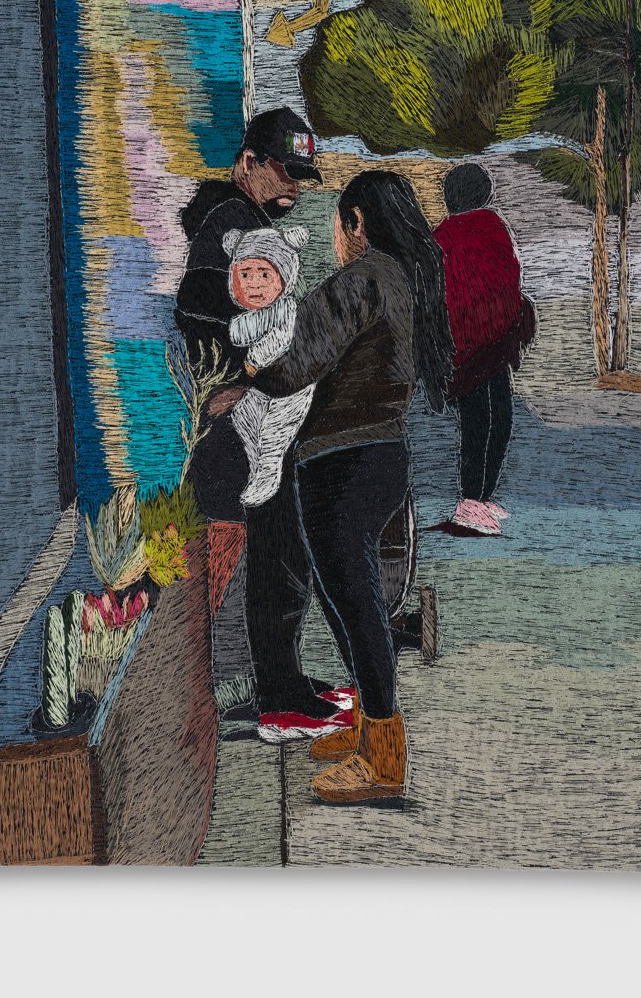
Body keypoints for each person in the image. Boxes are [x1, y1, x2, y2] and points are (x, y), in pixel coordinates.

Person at [249, 170, 454, 804]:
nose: (336, 239)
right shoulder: (404, 279)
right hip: (381, 455)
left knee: (355, 607)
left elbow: (298, 361)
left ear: (356, 222)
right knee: (352, 603)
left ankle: (384, 759)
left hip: (342, 462)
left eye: (338, 225)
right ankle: (368, 727)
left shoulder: (363, 278)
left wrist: (245, 372)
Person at [175, 107, 346, 738]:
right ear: (247, 162)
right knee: (268, 559)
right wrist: (237, 381)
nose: (295, 187)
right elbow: (197, 314)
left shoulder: (239, 221)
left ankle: (278, 683)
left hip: (249, 421)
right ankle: (271, 693)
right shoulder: (232, 224)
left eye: (301, 176)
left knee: (272, 556)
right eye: (285, 172)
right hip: (240, 427)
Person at [433, 163, 536, 536]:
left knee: (488, 421)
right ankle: (470, 502)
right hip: (482, 346)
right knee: (489, 422)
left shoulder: (475, 230)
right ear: (485, 193)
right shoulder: (467, 233)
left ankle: (480, 498)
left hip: (476, 347)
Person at [223, 225, 315, 509]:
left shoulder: (287, 308)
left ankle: (269, 470)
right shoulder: (249, 316)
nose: (255, 284)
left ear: (285, 278)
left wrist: (253, 360)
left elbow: (280, 338)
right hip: (266, 385)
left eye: (265, 275)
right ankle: (257, 466)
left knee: (275, 429)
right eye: (245, 275)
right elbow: (238, 334)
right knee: (243, 416)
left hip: (292, 384)